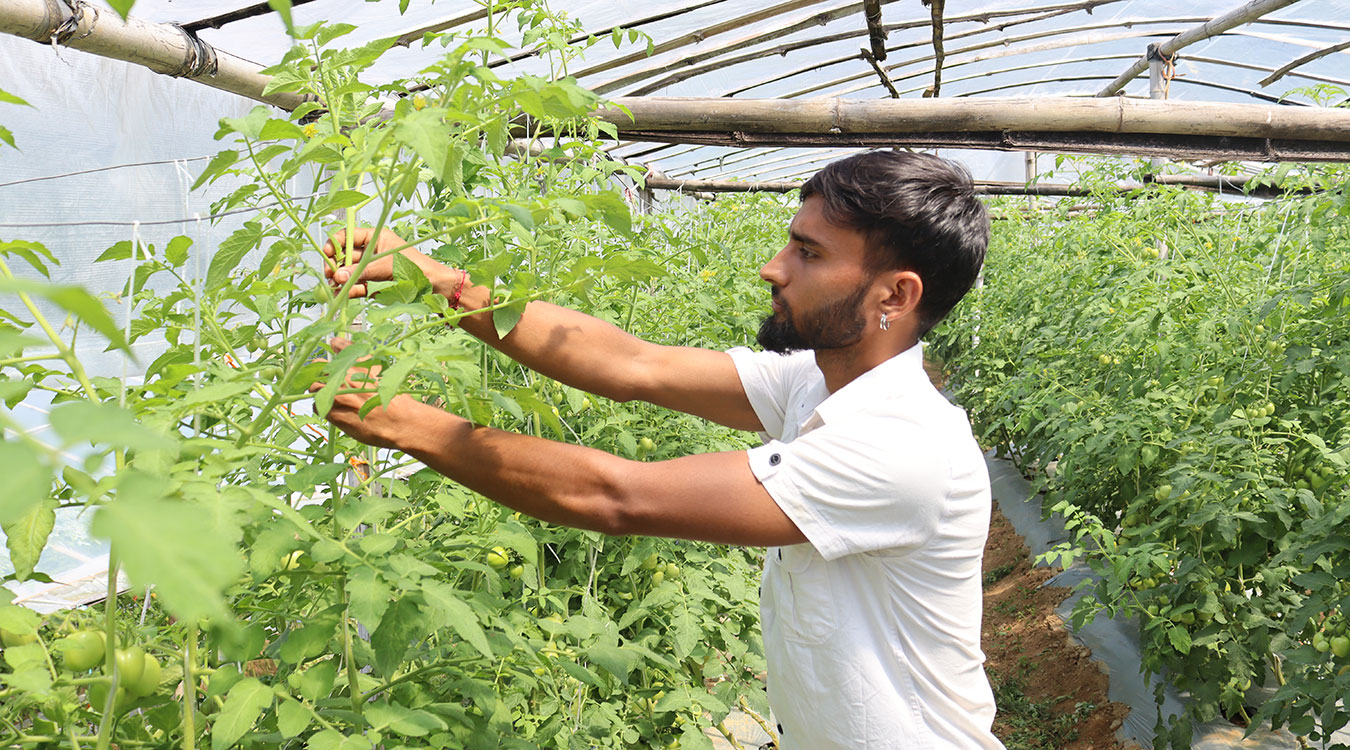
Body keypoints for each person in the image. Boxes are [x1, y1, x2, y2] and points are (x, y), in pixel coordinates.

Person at [316, 150, 1002, 749]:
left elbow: (618, 496)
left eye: (809, 253)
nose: (774, 268)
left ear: (895, 294)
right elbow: (629, 364)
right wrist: (436, 281)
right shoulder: (814, 379)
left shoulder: (901, 448)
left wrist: (401, 424)